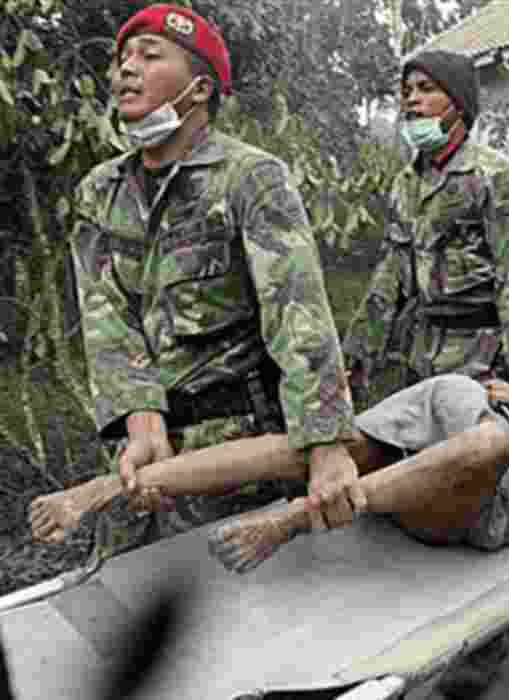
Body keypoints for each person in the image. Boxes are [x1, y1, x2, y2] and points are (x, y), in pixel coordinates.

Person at [67, 4, 356, 548]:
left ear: (200, 89)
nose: (125, 69)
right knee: (127, 606)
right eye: (122, 58)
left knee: (245, 613)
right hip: (142, 450)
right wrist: (141, 422)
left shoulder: (252, 180)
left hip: (239, 452)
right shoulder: (100, 192)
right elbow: (105, 317)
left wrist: (326, 445)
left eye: (149, 57)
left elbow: (297, 315)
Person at [30, 375, 509, 573]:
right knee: (305, 448)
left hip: (484, 495)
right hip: (463, 410)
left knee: (487, 452)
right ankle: (103, 489)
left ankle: (300, 517)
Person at [342, 50, 509, 408]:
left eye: (426, 89)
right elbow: (390, 274)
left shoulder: (497, 179)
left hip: (484, 363)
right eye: (406, 90)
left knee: (479, 456)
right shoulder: (405, 183)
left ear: (458, 103)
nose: (411, 99)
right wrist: (357, 353)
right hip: (422, 356)